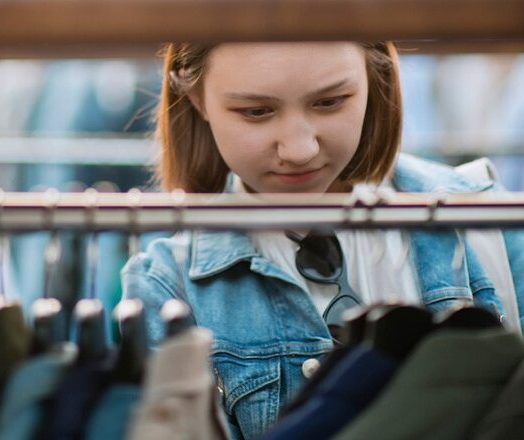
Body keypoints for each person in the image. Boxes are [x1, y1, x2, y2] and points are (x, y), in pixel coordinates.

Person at [120, 41, 524, 440]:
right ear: (195, 98)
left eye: (330, 102)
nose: (299, 150)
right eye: (256, 112)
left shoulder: (485, 217)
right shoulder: (165, 287)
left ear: (375, 76)